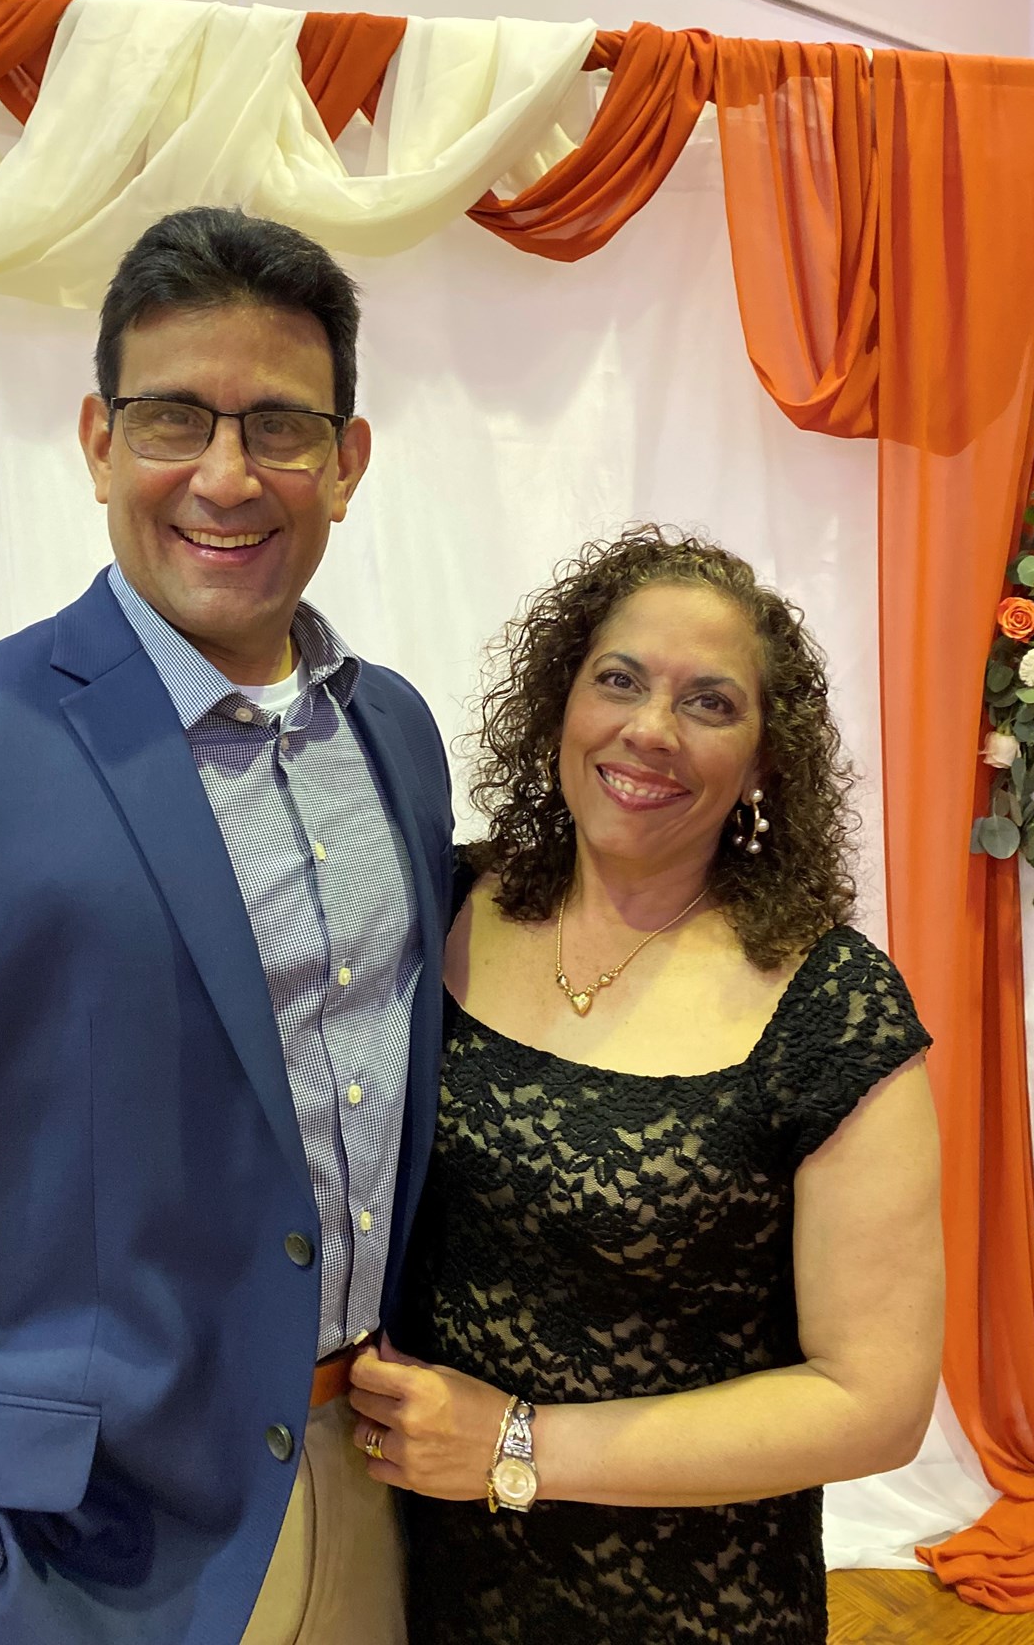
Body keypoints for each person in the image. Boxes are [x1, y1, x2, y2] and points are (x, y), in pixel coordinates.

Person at [0, 207, 453, 1645]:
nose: (227, 476)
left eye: (282, 427)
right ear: (98, 441)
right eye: (175, 418)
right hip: (74, 1561)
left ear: (347, 462)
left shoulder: (397, 738)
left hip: (379, 1494)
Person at [346, 527, 943, 1644]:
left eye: (710, 702)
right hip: (420, 1571)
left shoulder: (832, 1007)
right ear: (560, 704)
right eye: (618, 680)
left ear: (764, 762)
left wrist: (516, 1446)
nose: (651, 730)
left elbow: (876, 1405)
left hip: (690, 1601)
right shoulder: (445, 899)